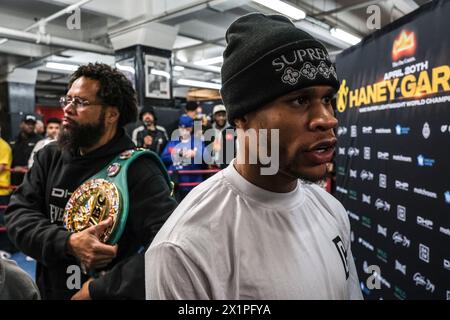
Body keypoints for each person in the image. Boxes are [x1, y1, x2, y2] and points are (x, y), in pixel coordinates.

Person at [145, 13, 362, 299]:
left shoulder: (331, 210)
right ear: (242, 117)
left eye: (327, 100)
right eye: (299, 100)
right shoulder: (185, 248)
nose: (327, 120)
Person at [5, 63, 177, 300]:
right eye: (67, 99)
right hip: (50, 291)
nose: (67, 109)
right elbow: (18, 215)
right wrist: (67, 242)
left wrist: (100, 289)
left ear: (111, 115)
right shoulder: (50, 156)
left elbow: (170, 249)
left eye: (81, 102)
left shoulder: (139, 169)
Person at [160, 115, 207, 201]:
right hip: (176, 184)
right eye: (182, 128)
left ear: (191, 128)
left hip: (193, 184)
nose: (184, 131)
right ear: (178, 128)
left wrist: (195, 154)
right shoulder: (173, 142)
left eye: (187, 128)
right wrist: (178, 154)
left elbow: (206, 157)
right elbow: (163, 158)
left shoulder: (197, 141)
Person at [9, 114, 42, 186]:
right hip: (13, 177)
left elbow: (40, 159)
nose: (30, 126)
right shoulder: (13, 140)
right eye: (28, 123)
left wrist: (25, 167)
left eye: (33, 124)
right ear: (21, 124)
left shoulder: (40, 141)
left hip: (30, 176)